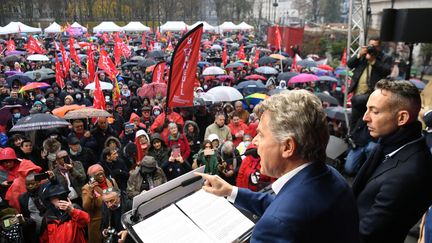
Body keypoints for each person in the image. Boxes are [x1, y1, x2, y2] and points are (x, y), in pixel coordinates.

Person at [196, 90, 359, 242]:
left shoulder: (273, 229)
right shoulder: (333, 177)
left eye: (260, 134)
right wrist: (230, 191)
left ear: (287, 147)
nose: (254, 141)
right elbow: (282, 205)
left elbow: (282, 215)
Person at [352, 79, 432, 243]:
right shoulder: (388, 143)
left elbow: (367, 234)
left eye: (374, 111)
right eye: (367, 109)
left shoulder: (408, 174)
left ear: (402, 117)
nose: (365, 117)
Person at [347, 37, 392, 131]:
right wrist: (359, 54)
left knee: (368, 120)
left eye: (375, 46)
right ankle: (351, 137)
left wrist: (373, 61)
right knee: (354, 119)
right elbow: (349, 64)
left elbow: (386, 71)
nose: (372, 48)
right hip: (358, 93)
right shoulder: (364, 55)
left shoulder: (385, 57)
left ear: (379, 47)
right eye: (371, 45)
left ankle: (362, 140)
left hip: (373, 94)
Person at [82, 164, 118, 243]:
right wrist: (91, 192)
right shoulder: (87, 188)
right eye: (98, 175)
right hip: (98, 223)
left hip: (113, 218)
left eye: (102, 173)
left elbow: (118, 195)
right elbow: (86, 206)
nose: (101, 176)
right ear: (92, 177)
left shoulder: (111, 181)